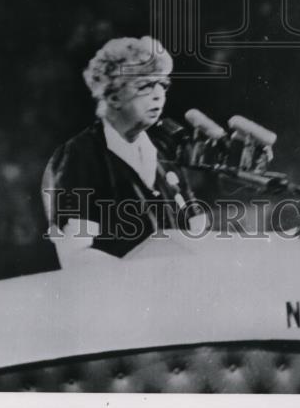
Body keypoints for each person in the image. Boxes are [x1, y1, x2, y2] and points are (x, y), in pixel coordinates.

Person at [42, 36, 206, 266]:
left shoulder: (164, 150)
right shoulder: (80, 155)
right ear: (113, 95)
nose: (159, 94)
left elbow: (197, 231)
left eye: (163, 84)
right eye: (146, 85)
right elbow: (76, 255)